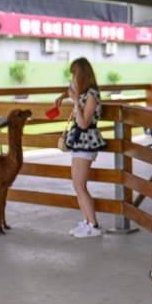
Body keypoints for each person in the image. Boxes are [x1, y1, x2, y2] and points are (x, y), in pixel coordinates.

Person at [55, 57, 107, 238]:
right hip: (78, 142)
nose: (73, 78)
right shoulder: (84, 92)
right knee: (77, 185)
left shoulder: (91, 95)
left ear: (82, 75)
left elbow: (84, 123)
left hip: (87, 142)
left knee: (80, 185)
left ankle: (94, 225)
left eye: (75, 75)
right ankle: (86, 222)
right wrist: (63, 97)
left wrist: (75, 102)